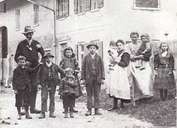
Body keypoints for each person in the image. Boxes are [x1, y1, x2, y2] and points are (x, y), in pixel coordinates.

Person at [14, 26, 45, 114]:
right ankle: (24, 107)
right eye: (27, 34)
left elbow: (43, 54)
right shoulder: (21, 44)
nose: (29, 35)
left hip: (35, 69)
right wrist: (22, 64)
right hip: (25, 70)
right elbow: (16, 57)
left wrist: (40, 63)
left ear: (32, 34)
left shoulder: (36, 43)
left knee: (34, 87)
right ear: (25, 35)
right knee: (24, 87)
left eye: (31, 33)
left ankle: (32, 107)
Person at [126, 32, 153, 106]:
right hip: (133, 64)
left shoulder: (142, 44)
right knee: (135, 80)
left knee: (144, 79)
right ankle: (135, 98)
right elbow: (129, 56)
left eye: (135, 37)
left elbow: (148, 54)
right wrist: (138, 57)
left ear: (138, 37)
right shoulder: (128, 46)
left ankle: (145, 96)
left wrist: (140, 57)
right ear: (130, 37)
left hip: (142, 63)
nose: (134, 38)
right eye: (132, 37)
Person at [81, 41, 105, 116]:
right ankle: (89, 110)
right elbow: (83, 68)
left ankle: (97, 109)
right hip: (88, 78)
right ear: (88, 49)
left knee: (97, 94)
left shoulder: (99, 58)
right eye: (91, 48)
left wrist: (102, 78)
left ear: (96, 49)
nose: (92, 49)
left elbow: (102, 68)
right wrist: (83, 78)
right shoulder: (85, 58)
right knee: (89, 95)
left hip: (97, 78)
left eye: (94, 48)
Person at [37, 53, 64, 119]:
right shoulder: (42, 66)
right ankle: (42, 113)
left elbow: (62, 72)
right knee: (44, 98)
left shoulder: (55, 66)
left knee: (52, 98)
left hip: (53, 84)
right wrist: (38, 83)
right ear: (45, 59)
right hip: (44, 84)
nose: (48, 59)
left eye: (50, 57)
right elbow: (38, 75)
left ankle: (51, 112)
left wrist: (62, 81)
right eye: (47, 57)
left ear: (52, 58)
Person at [107, 40, 131, 111]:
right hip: (115, 72)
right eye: (117, 45)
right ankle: (114, 105)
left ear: (123, 45)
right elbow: (113, 61)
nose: (119, 47)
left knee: (121, 86)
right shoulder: (116, 53)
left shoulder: (126, 53)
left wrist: (117, 61)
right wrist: (112, 58)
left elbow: (125, 64)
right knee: (115, 86)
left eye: (120, 45)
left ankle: (122, 104)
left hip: (121, 72)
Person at [59, 47, 82, 113]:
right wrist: (64, 71)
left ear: (72, 53)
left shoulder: (74, 60)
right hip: (65, 79)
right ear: (65, 53)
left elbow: (77, 67)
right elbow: (60, 68)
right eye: (67, 52)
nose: (68, 53)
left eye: (70, 52)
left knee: (73, 93)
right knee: (65, 94)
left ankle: (72, 107)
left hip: (73, 78)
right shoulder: (63, 60)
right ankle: (65, 108)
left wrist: (75, 71)